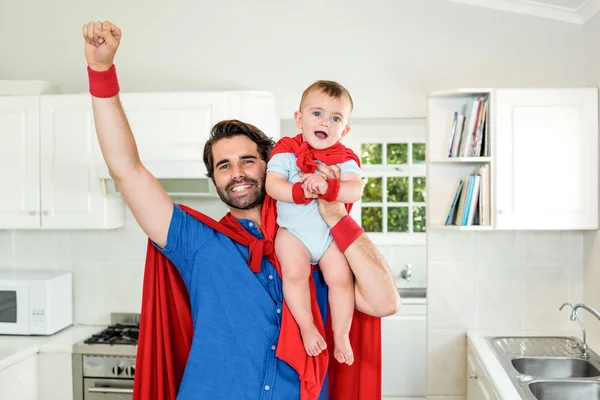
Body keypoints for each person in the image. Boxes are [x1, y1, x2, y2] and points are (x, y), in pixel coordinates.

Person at [82, 20, 401, 400]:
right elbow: (127, 171)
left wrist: (334, 215)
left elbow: (384, 302)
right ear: (214, 179)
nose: (237, 173)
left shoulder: (315, 241)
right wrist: (101, 72)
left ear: (272, 165)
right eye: (223, 165)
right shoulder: (196, 241)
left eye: (248, 160)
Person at [266, 80, 362, 366]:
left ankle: (341, 334)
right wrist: (299, 191)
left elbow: (354, 189)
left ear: (344, 130)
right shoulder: (285, 150)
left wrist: (329, 188)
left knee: (342, 281)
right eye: (317, 113)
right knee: (294, 275)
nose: (325, 122)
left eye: (335, 118)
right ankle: (307, 327)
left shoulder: (345, 158)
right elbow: (273, 185)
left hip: (329, 236)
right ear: (299, 119)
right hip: (294, 233)